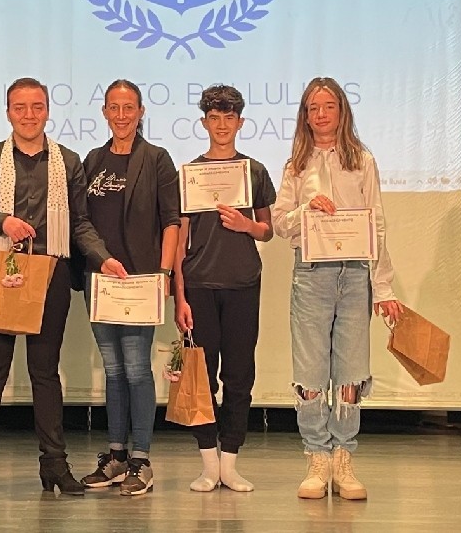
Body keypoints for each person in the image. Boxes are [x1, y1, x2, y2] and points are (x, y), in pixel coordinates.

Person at [0, 77, 128, 498]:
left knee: (44, 373)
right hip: (1, 271)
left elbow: (81, 221)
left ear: (47, 110)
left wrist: (102, 257)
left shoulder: (67, 161)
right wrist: (1, 222)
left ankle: (55, 465)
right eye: (20, 107)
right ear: (8, 112)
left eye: (36, 106)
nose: (28, 114)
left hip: (50, 274)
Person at [271, 77, 403, 501]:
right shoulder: (296, 165)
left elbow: (377, 223)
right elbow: (278, 223)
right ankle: (316, 456)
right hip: (311, 272)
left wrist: (383, 288)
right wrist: (306, 209)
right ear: (305, 116)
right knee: (310, 366)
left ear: (342, 111)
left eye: (328, 106)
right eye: (313, 108)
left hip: (353, 273)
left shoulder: (362, 160)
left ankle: (344, 456)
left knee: (350, 365)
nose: (321, 114)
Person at [76, 80, 180, 496]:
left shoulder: (156, 159)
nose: (121, 116)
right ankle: (116, 456)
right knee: (114, 369)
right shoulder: (93, 160)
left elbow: (171, 220)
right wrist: (102, 260)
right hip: (100, 279)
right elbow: (81, 221)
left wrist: (165, 274)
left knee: (137, 369)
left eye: (129, 108)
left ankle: (141, 458)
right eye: (114, 108)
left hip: (141, 280)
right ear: (104, 112)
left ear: (141, 112)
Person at [172, 84, 276, 493]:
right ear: (204, 123)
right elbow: (179, 243)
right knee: (200, 377)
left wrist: (246, 225)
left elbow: (267, 229)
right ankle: (208, 462)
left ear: (240, 122)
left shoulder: (254, 171)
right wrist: (178, 295)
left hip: (243, 283)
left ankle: (230, 460)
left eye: (228, 118)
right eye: (213, 118)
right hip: (198, 285)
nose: (221, 125)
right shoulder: (189, 174)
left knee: (239, 375)